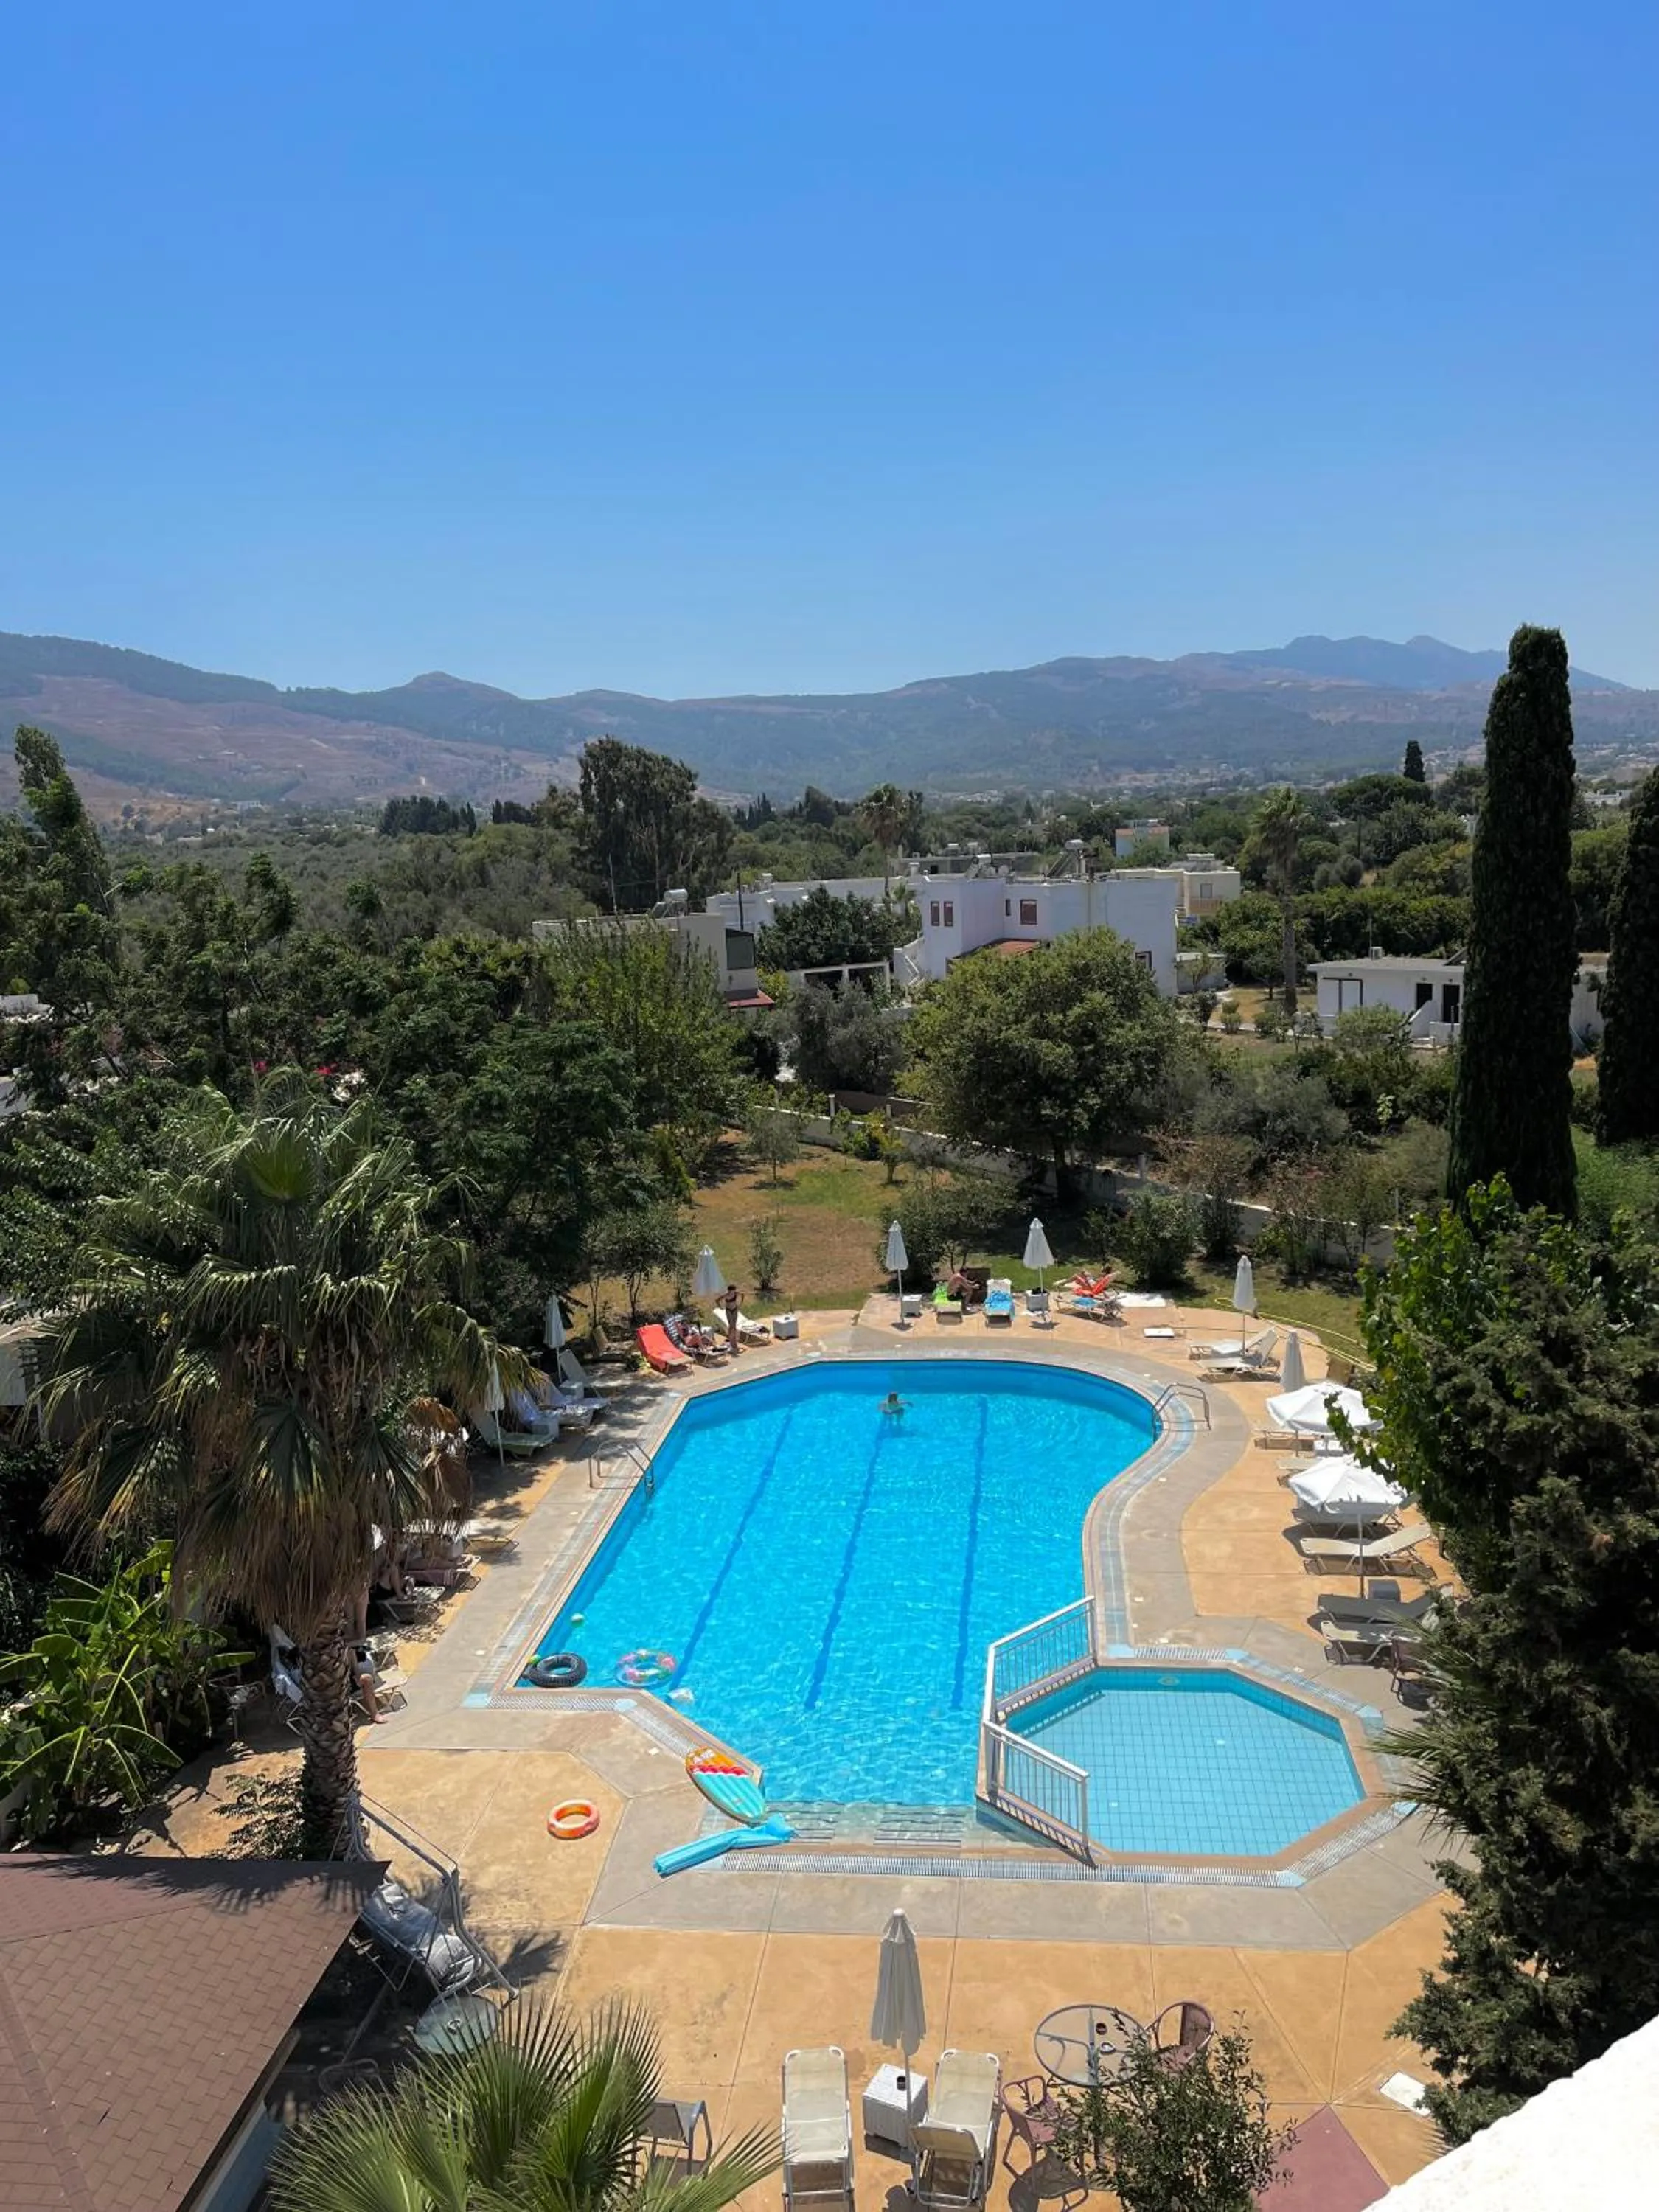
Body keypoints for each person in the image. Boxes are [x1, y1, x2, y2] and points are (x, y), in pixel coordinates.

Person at [723, 1282, 741, 1354]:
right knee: (731, 1325)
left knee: (734, 1325)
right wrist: (721, 1307)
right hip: (728, 1310)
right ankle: (731, 1341)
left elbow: (743, 1295)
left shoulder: (736, 1293)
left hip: (735, 1309)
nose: (732, 1293)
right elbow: (717, 1300)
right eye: (731, 1291)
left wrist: (740, 1303)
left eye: (733, 1291)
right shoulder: (726, 1295)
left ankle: (732, 1340)